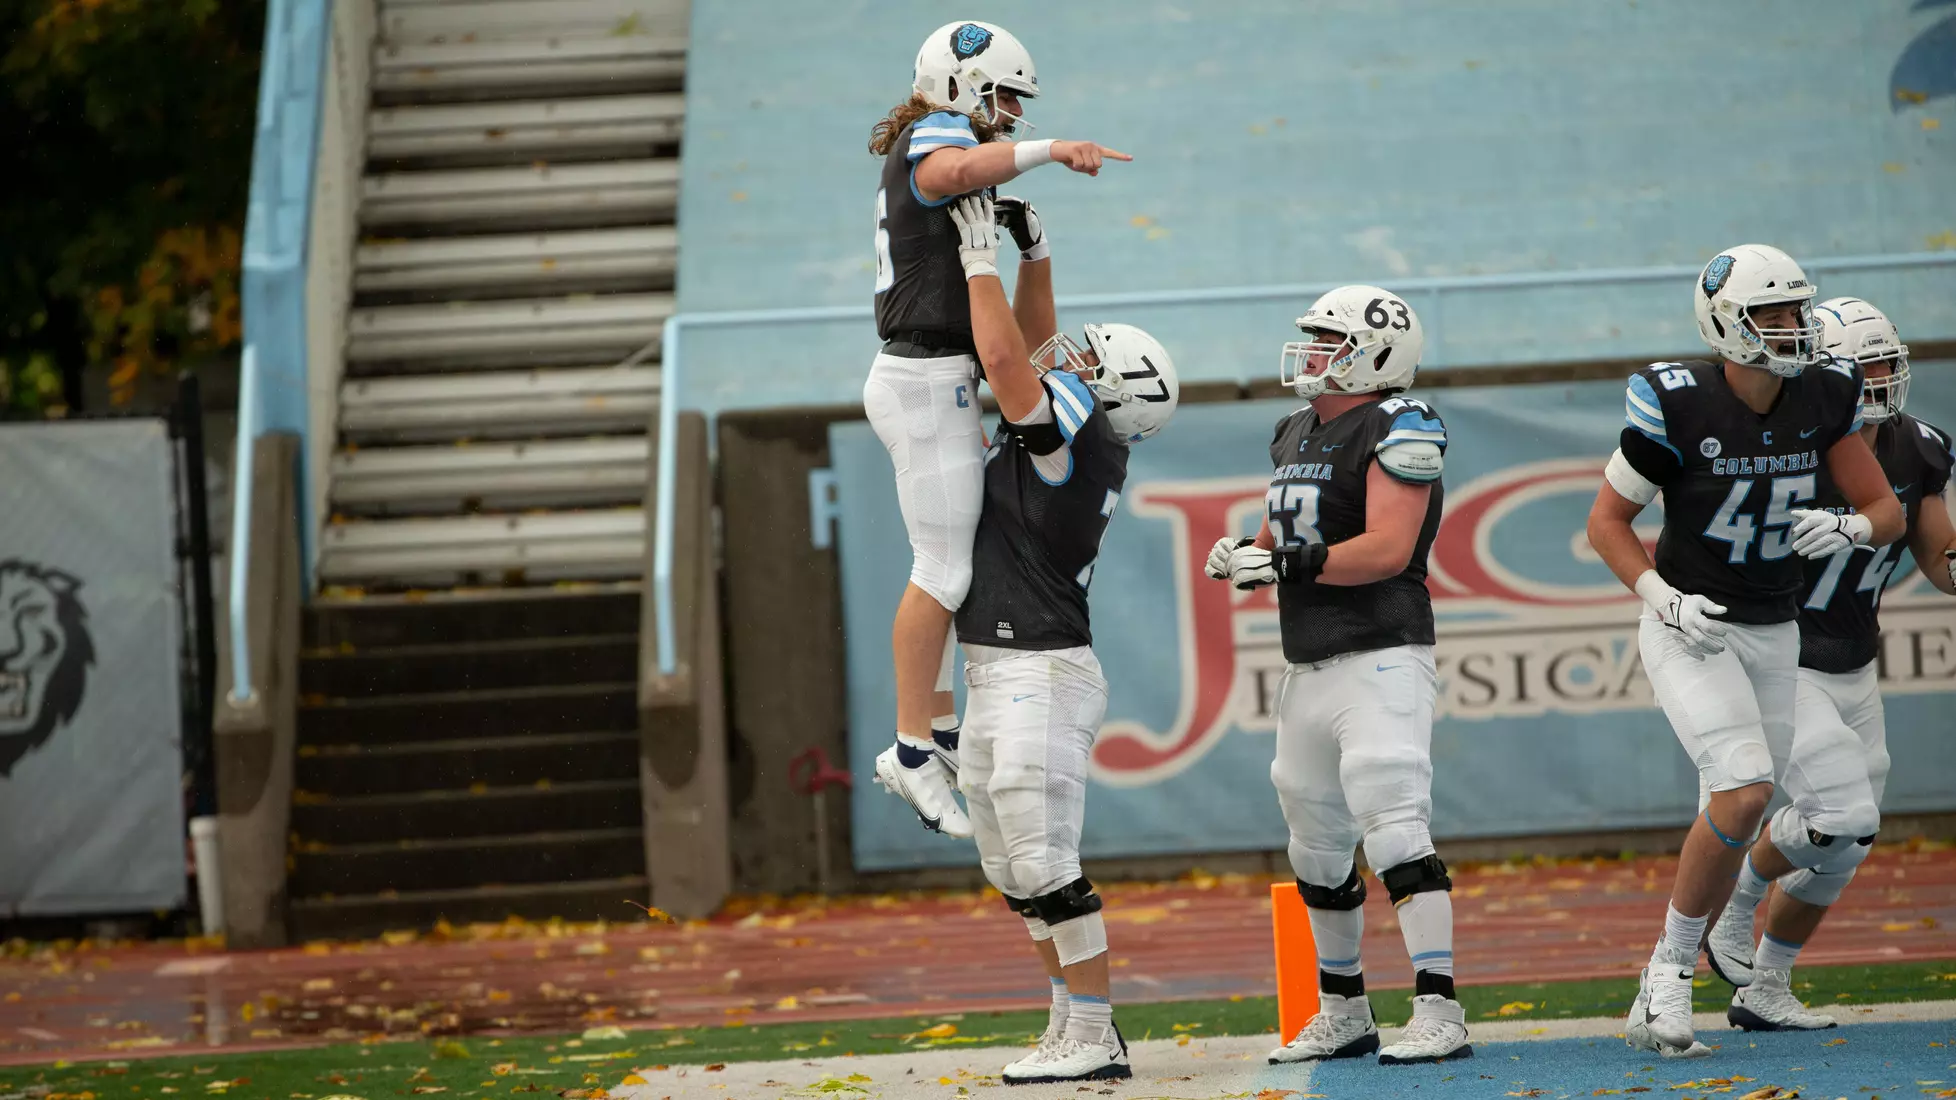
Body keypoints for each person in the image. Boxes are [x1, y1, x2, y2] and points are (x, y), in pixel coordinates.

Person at [1583, 246, 1904, 1058]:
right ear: (1728, 322)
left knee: (1746, 805)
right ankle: (1670, 973)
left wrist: (1851, 526)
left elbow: (1882, 507)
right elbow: (1607, 524)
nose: (1795, 328)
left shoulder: (1824, 396)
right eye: (1776, 314)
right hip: (1692, 626)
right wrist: (1663, 597)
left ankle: (1670, 967)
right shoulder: (1678, 402)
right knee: (1741, 788)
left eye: (1799, 311)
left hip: (1776, 627)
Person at [864, 20, 1131, 837]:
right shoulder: (933, 136)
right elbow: (951, 167)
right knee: (941, 569)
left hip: (939, 375)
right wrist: (1049, 149)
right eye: (1004, 95)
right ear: (960, 81)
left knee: (950, 565)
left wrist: (1031, 253)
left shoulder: (944, 148)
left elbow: (1030, 351)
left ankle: (937, 730)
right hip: (923, 377)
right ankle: (911, 749)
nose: (1010, 114)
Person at [937, 194, 1180, 1085]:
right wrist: (1036, 252)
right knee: (1010, 869)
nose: (1067, 358)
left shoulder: (1079, 438)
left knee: (1044, 859)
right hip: (1000, 668)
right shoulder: (1075, 432)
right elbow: (1032, 350)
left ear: (1109, 390)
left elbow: (1007, 356)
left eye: (1086, 360)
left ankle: (1099, 1031)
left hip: (1044, 668)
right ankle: (1071, 1021)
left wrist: (977, 261)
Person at [1208, 286, 1471, 1066]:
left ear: (1375, 351)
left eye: (1327, 339)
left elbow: (1389, 549)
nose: (1312, 351)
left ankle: (1439, 1007)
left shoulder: (1401, 424)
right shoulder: (1294, 430)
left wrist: (1281, 563)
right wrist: (1246, 549)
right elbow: (1285, 530)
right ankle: (1343, 1007)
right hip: (1310, 660)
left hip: (1382, 650)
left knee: (1393, 816)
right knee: (1315, 842)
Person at [1701, 297, 1956, 1029]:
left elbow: (1939, 558)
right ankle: (1740, 900)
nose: (1880, 378)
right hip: (1783, 652)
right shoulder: (1795, 444)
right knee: (1841, 811)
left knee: (1852, 836)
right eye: (1863, 364)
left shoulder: (1919, 444)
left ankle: (1768, 985)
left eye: (1887, 361)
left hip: (1853, 659)